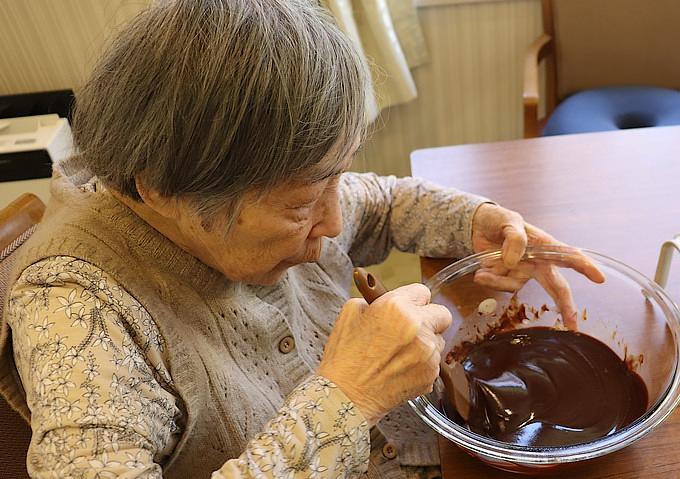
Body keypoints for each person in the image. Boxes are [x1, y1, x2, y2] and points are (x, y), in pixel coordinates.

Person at [0, 1, 603, 478]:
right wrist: (349, 397)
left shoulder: (236, 182)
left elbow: (385, 202)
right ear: (160, 190)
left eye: (334, 179)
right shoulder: (76, 316)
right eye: (302, 204)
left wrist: (481, 219)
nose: (336, 222)